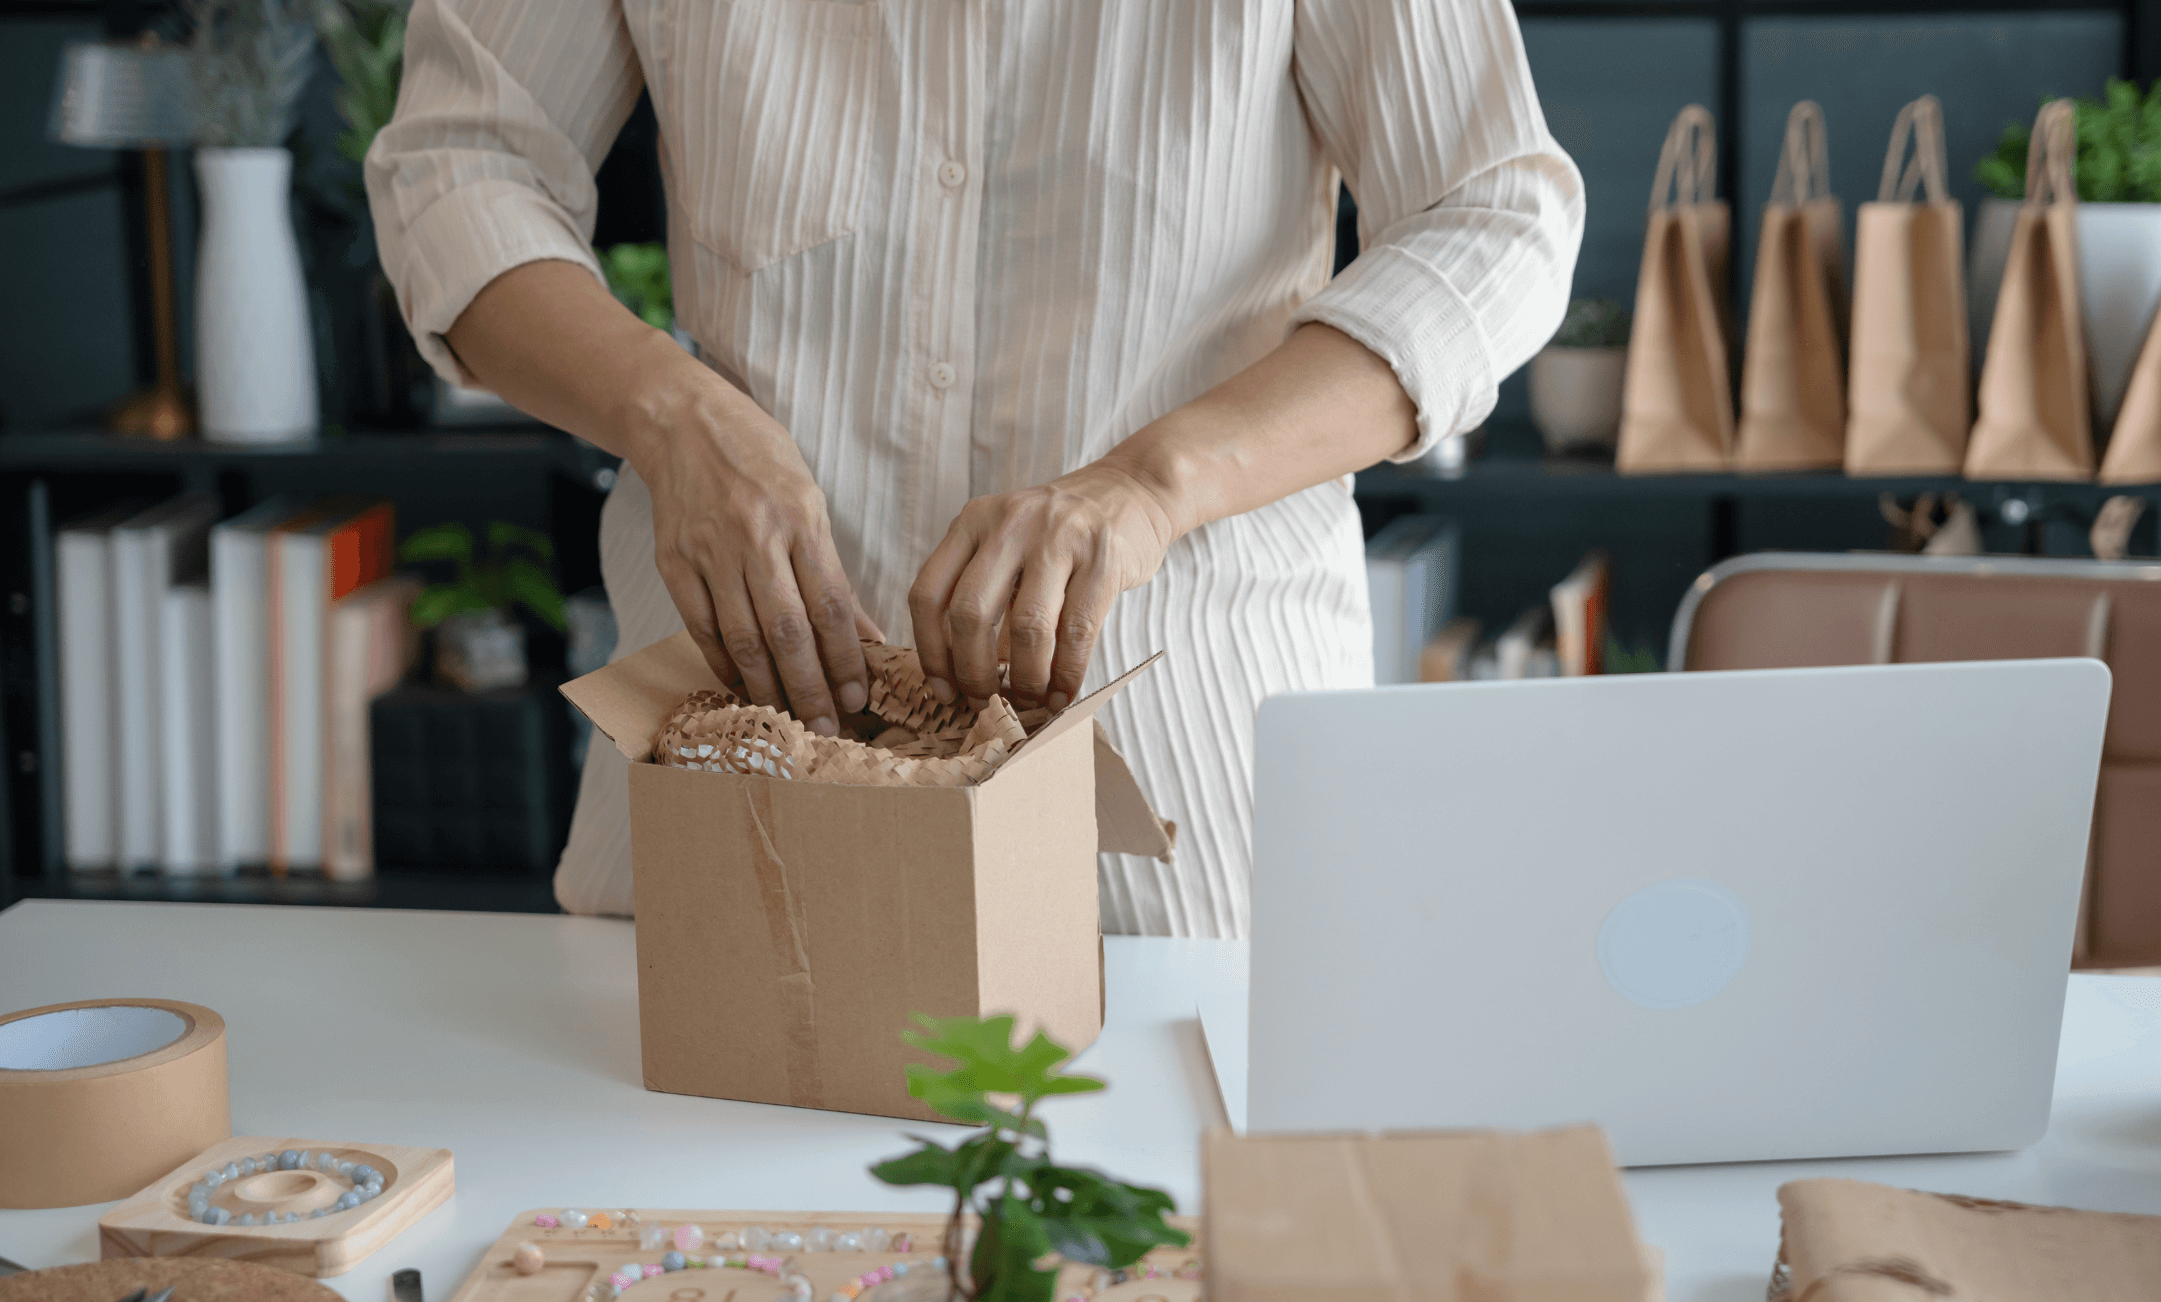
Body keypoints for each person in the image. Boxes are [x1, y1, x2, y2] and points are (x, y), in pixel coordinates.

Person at [368, 0, 1582, 936]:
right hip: (729, 790)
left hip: (1187, 811)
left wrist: (1159, 482)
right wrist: (667, 410)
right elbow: (459, 167)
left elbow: (1492, 215)